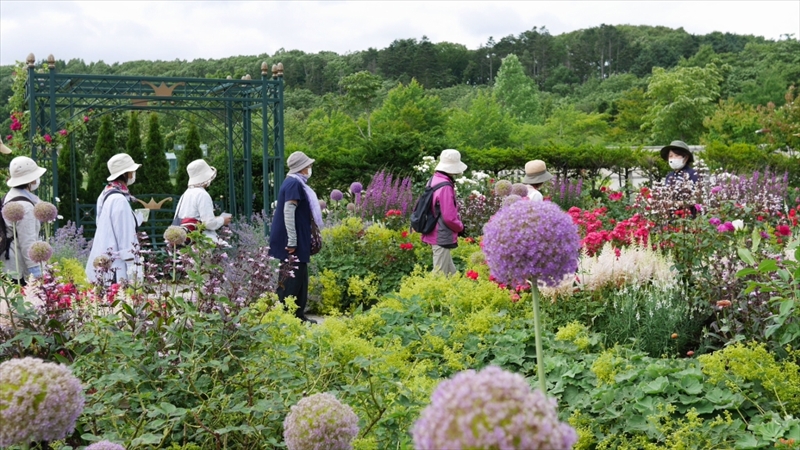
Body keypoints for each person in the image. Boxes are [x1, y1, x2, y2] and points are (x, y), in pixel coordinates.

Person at [268, 151, 322, 323]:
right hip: (292, 240)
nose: (310, 168)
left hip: (298, 238)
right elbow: (288, 212)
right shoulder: (294, 184)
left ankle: (297, 315)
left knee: (300, 277)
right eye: (308, 166)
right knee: (290, 278)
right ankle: (284, 317)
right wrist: (292, 240)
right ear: (302, 168)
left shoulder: (295, 183)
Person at [85, 153, 144, 284]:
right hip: (117, 267)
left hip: (106, 259)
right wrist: (133, 273)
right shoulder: (119, 199)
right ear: (127, 173)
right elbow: (125, 237)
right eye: (132, 171)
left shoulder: (107, 192)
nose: (133, 174)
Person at [421, 149, 466, 276]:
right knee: (439, 275)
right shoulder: (445, 186)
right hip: (441, 233)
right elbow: (449, 217)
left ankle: (457, 292)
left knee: (451, 273)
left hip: (431, 229)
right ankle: (430, 295)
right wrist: (460, 227)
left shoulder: (433, 179)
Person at [2, 156, 46, 285]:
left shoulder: (10, 195)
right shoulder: (25, 206)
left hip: (6, 263)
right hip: (16, 267)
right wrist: (36, 273)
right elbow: (28, 241)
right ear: (31, 180)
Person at [173, 159, 231, 245]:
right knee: (227, 249)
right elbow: (209, 224)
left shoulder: (186, 194)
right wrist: (223, 220)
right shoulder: (202, 194)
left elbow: (192, 217)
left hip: (185, 240)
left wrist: (215, 218)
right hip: (200, 241)